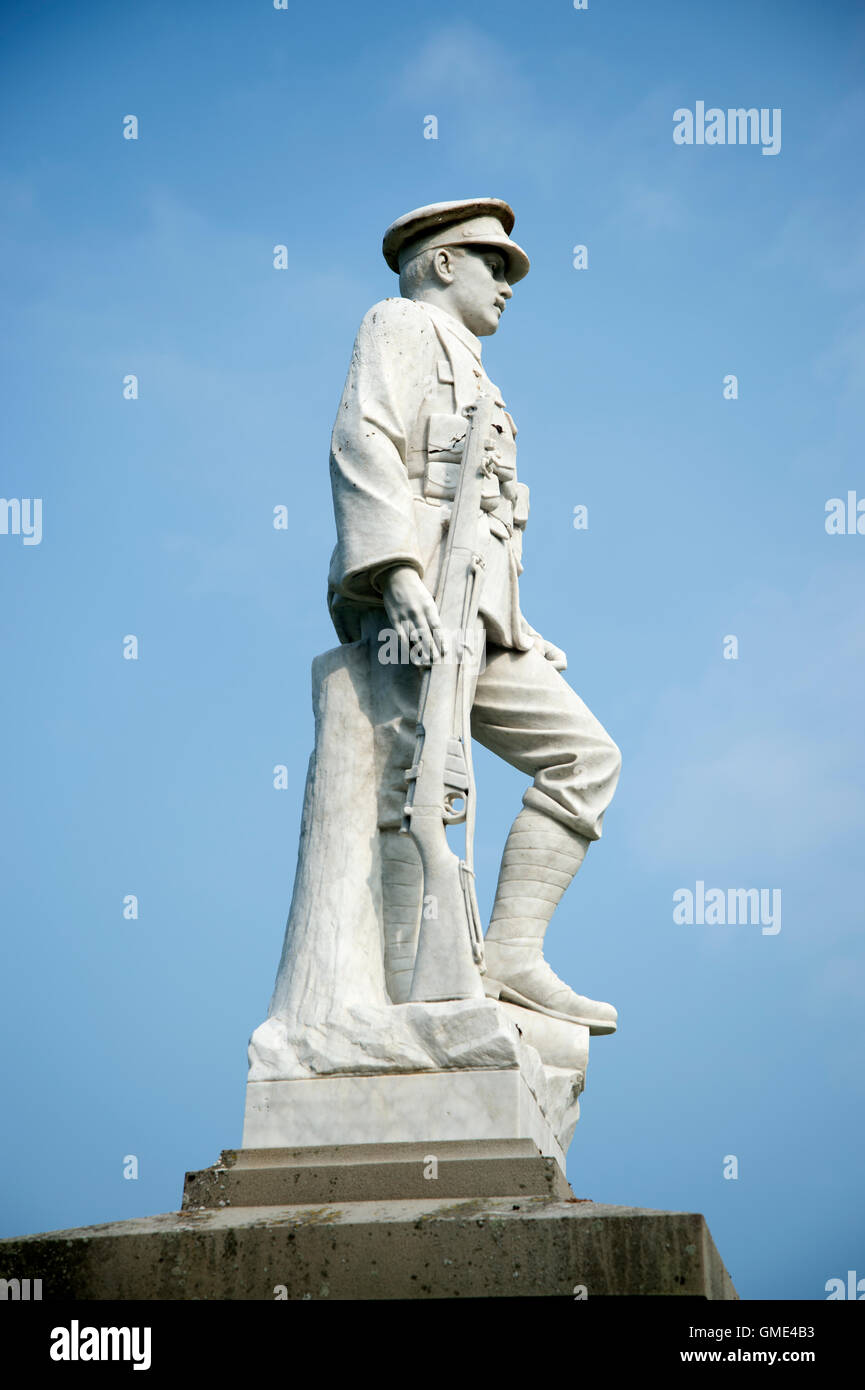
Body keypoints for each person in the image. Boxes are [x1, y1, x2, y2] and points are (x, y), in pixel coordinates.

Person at [326, 199, 621, 1033]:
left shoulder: (476, 367)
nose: (508, 284)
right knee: (415, 781)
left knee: (584, 758)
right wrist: (394, 575)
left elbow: (484, 511)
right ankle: (406, 992)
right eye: (495, 264)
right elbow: (364, 443)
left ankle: (512, 957)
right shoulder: (399, 323)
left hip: (482, 616)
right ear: (442, 263)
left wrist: (515, 618)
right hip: (415, 601)